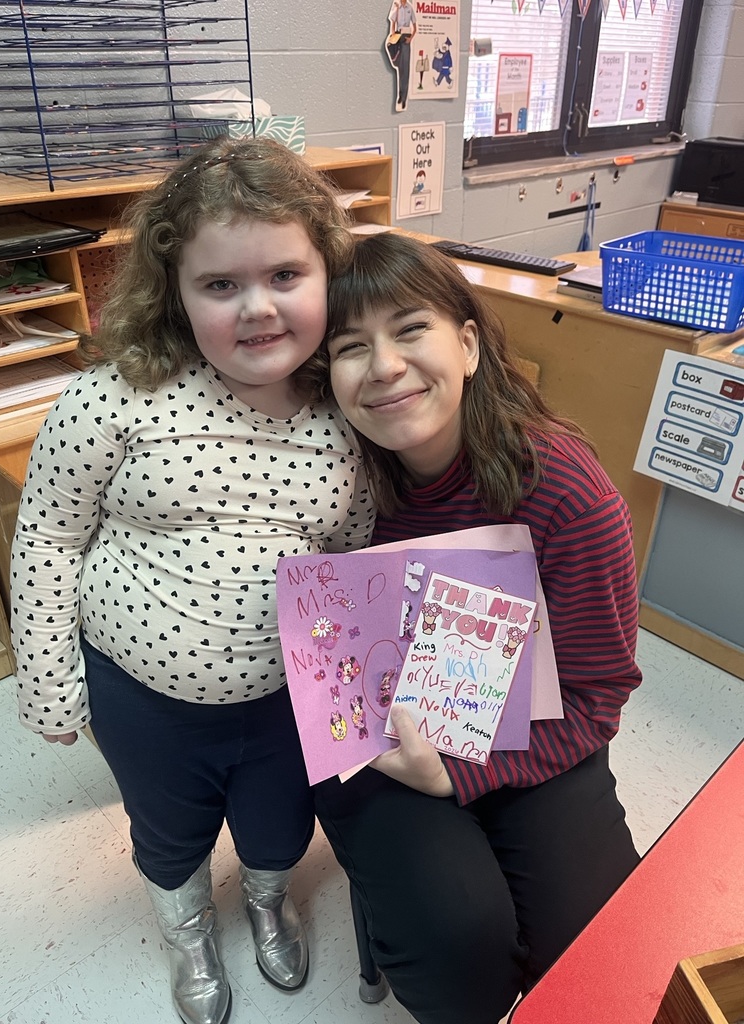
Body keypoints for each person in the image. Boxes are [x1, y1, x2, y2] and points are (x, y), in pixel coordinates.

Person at [9, 135, 375, 1024]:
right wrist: (51, 683)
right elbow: (49, 535)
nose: (258, 308)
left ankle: (263, 900)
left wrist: (357, 703)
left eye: (286, 275)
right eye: (221, 285)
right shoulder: (113, 400)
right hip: (142, 693)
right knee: (168, 835)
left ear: (329, 274)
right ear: (174, 292)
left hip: (284, 697)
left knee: (281, 826)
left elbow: (356, 554)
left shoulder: (348, 409)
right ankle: (187, 933)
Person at [309, 232, 642, 1024]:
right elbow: (319, 670)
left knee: (599, 957)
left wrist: (461, 775)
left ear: (466, 344)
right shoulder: (330, 485)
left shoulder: (561, 489)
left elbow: (598, 695)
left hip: (533, 735)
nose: (384, 365)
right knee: (461, 961)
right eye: (351, 347)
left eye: (410, 329)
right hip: (381, 747)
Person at [388, 0, 416, 109]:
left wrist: (411, 38)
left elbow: (415, 27)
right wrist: (393, 33)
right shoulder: (396, 5)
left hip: (406, 39)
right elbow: (393, 22)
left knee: (406, 70)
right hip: (398, 37)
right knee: (400, 69)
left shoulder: (410, 7)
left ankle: (404, 98)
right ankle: (400, 95)